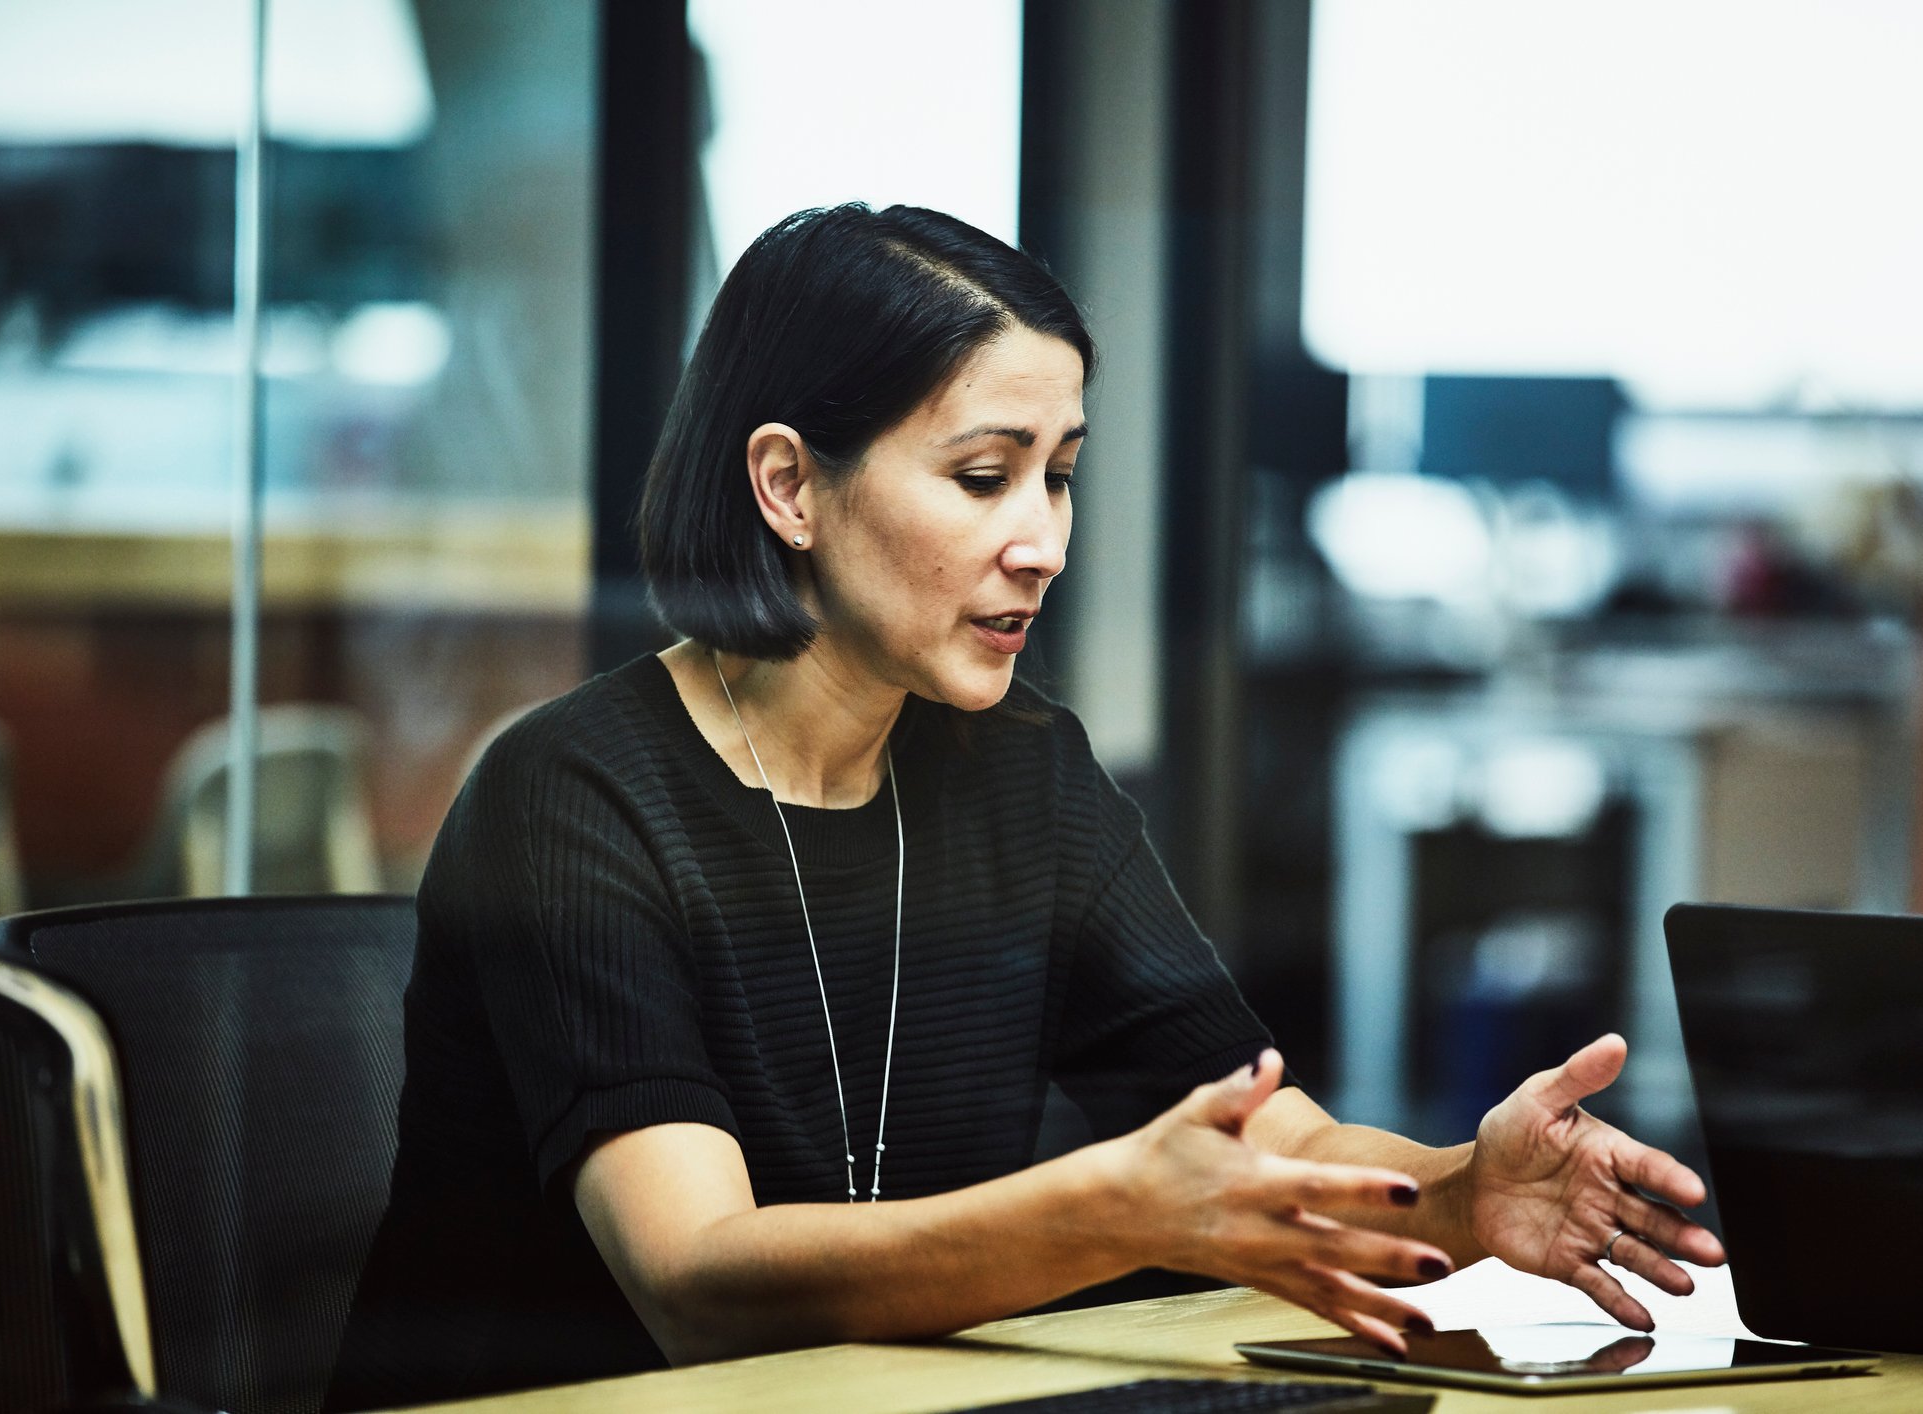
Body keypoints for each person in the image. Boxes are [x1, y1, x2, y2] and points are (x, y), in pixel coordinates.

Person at [325, 203, 1723, 1411]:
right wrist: (1112, 1208)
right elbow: (694, 1279)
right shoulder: (573, 792)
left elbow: (1257, 1133)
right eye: (983, 476)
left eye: (1059, 475)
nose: (1042, 540)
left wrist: (1453, 1196)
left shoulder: (1023, 774)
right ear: (787, 484)